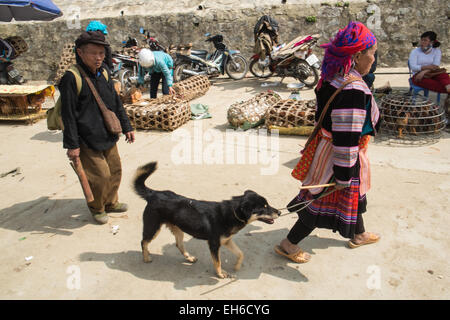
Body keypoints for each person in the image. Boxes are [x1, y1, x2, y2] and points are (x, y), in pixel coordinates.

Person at [275, 21, 381, 263]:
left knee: (355, 196)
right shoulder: (352, 89)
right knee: (319, 201)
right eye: (372, 54)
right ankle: (288, 244)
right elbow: (346, 137)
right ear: (356, 55)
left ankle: (360, 233)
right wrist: (344, 173)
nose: (373, 59)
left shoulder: (333, 76)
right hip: (339, 157)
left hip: (330, 148)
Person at [60, 31, 135, 224]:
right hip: (86, 139)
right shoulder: (71, 78)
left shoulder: (105, 73)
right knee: (100, 176)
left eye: (101, 53)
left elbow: (115, 103)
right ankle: (97, 207)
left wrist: (127, 126)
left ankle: (110, 202)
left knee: (115, 170)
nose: (98, 57)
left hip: (108, 133)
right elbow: (67, 115)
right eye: (93, 53)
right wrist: (72, 145)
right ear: (80, 52)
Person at [409, 31, 450, 122]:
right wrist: (425, 69)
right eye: (422, 40)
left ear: (432, 42)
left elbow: (436, 65)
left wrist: (423, 71)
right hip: (418, 76)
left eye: (425, 40)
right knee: (433, 83)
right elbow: (413, 67)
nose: (422, 42)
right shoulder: (415, 52)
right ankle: (447, 89)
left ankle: (448, 87)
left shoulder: (436, 51)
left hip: (431, 73)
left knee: (443, 75)